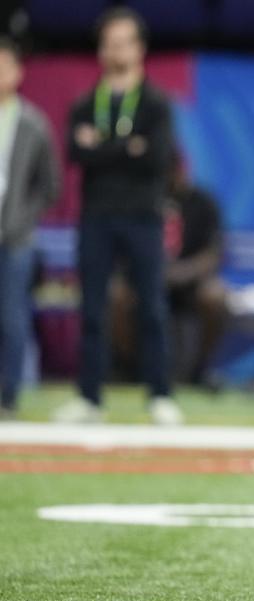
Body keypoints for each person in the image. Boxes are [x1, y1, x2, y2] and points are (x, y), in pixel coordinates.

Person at [53, 7, 181, 426]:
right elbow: (76, 153)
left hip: (143, 216)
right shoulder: (87, 101)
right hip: (97, 216)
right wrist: (127, 146)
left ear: (139, 48)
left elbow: (156, 158)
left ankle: (160, 394)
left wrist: (103, 146)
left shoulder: (156, 102)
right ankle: (89, 397)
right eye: (109, 42)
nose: (116, 50)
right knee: (91, 307)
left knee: (151, 308)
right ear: (101, 49)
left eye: (124, 42)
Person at [112, 156, 227, 387]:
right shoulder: (143, 199)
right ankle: (133, 370)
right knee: (116, 296)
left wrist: (184, 273)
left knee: (215, 297)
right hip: (147, 277)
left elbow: (214, 252)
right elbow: (124, 248)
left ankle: (198, 371)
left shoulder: (202, 202)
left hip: (189, 282)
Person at [0, 36, 60, 419]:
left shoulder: (33, 123)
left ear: (19, 72)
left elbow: (49, 187)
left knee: (12, 317)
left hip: (15, 238)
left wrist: (22, 217)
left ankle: (8, 397)